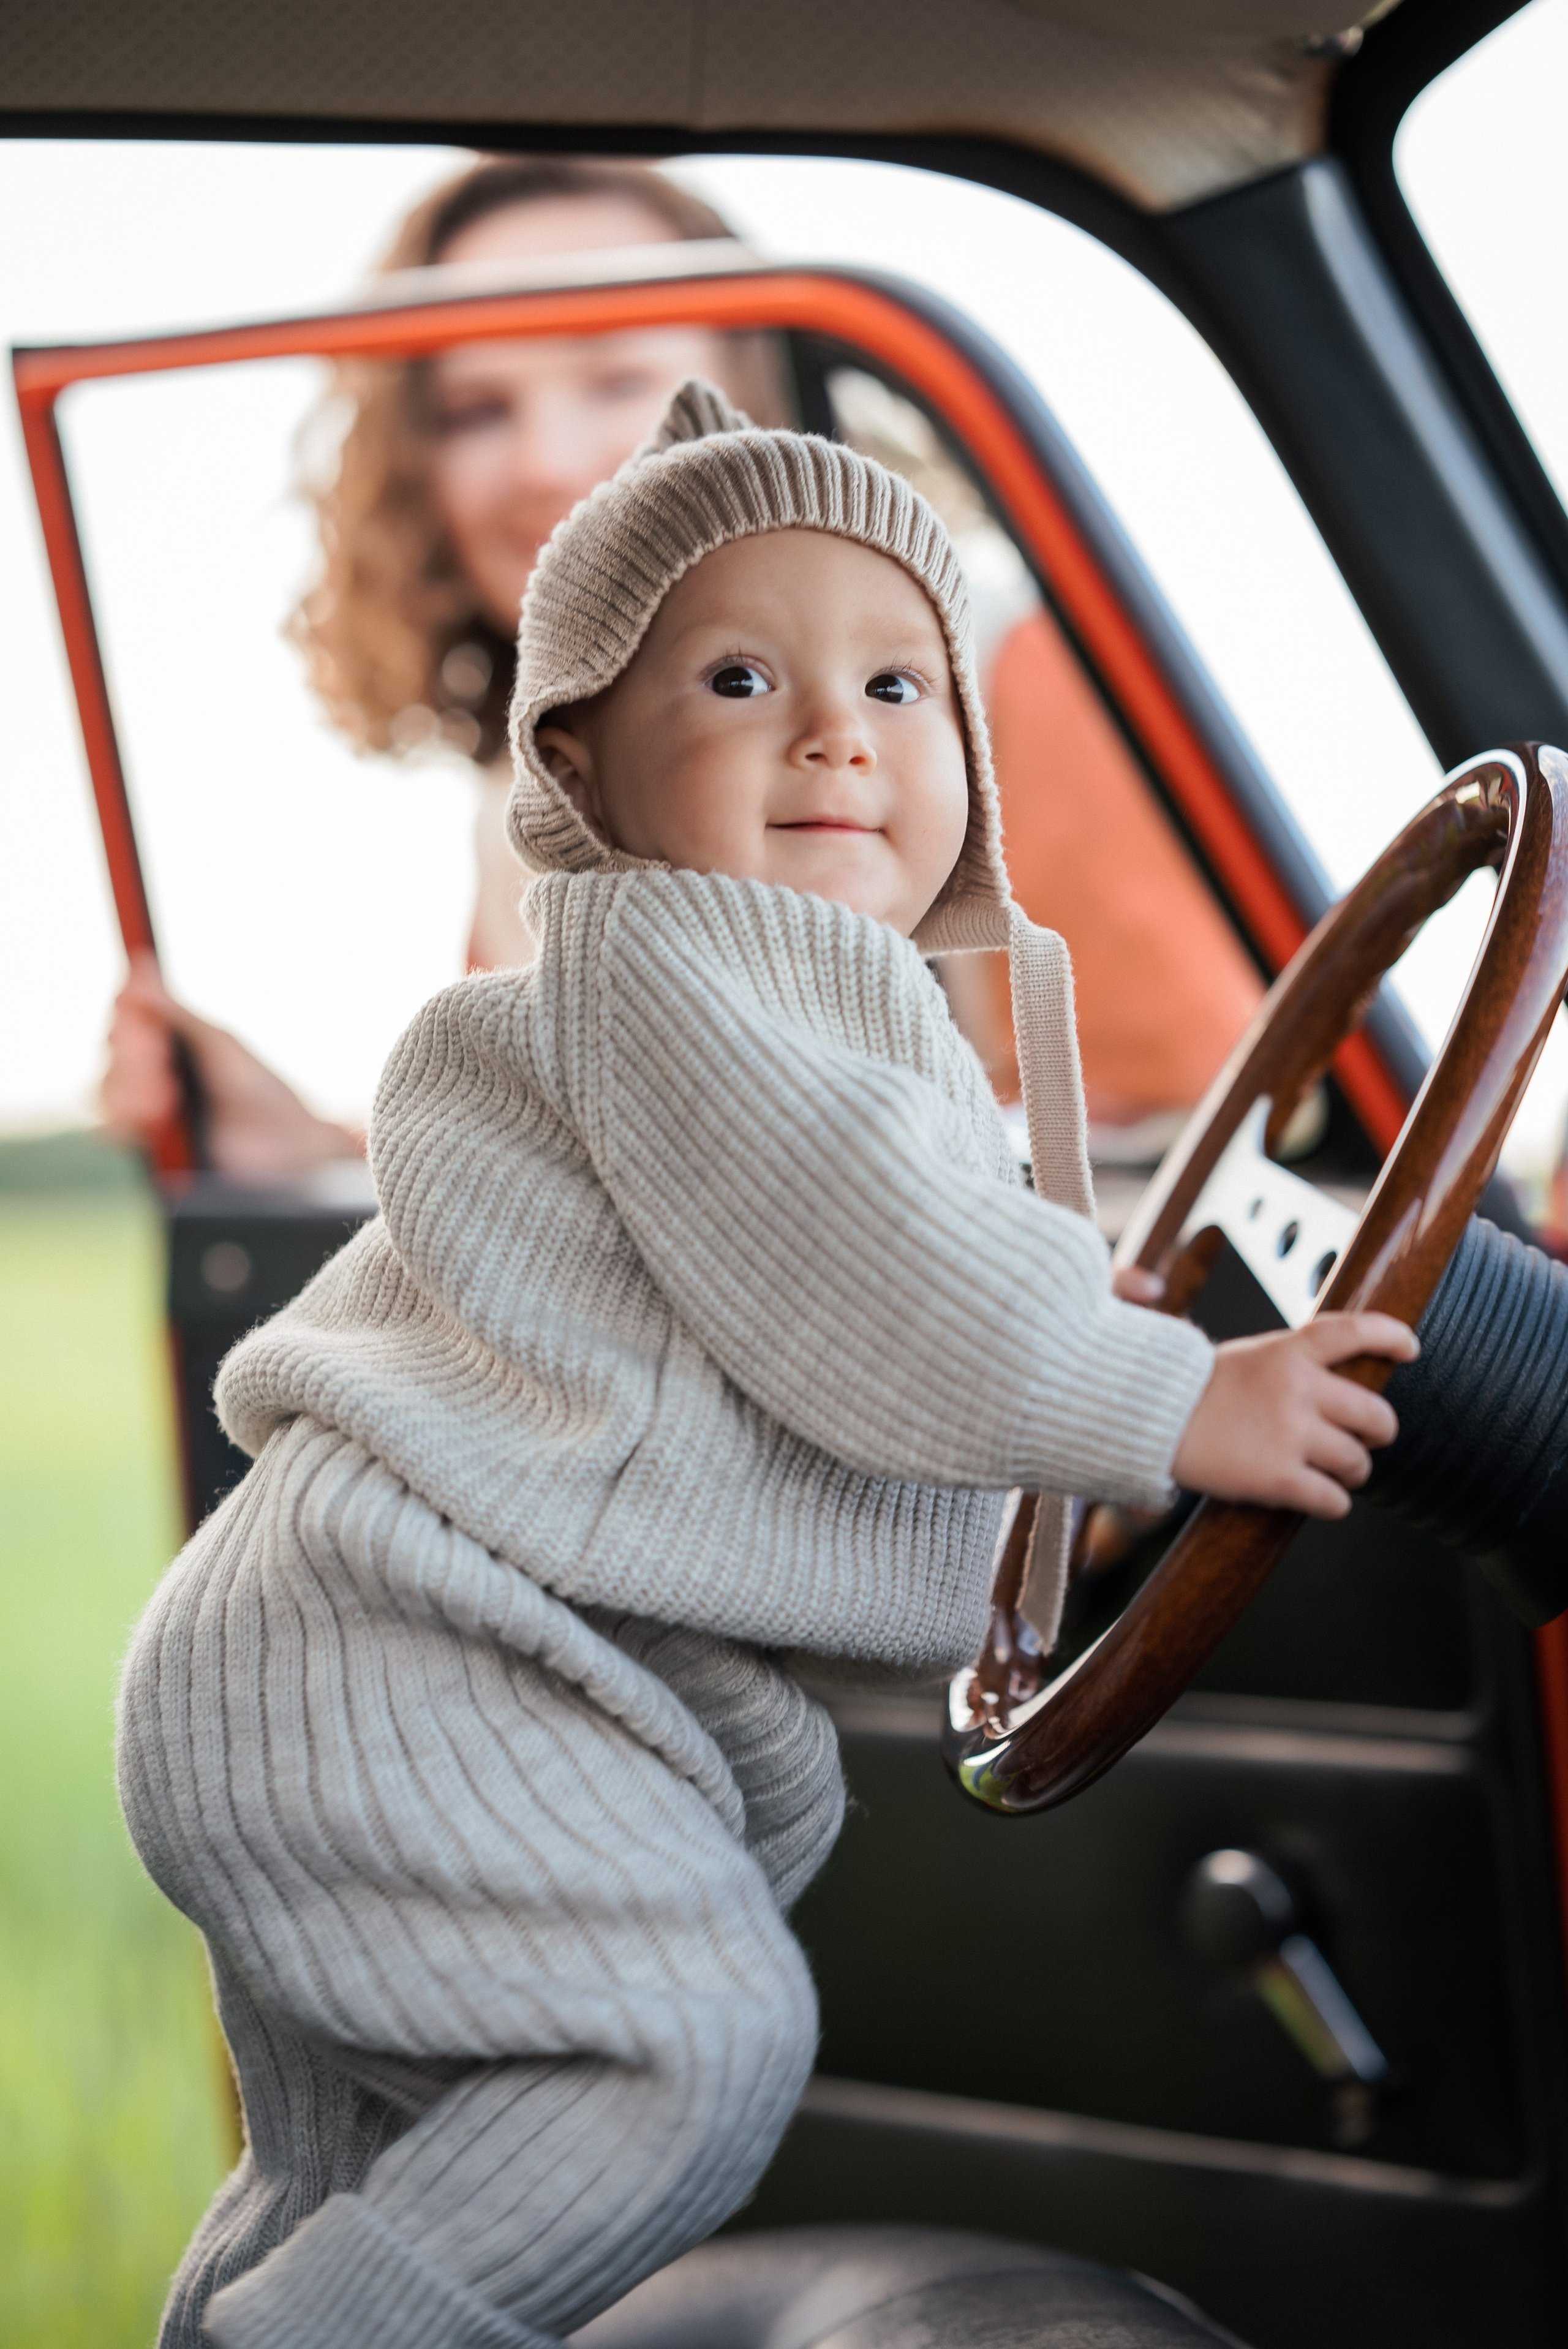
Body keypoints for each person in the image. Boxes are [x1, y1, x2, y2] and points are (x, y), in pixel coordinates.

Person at [116, 383, 1418, 2349]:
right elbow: (871, 1256)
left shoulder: (764, 996)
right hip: (409, 1651)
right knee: (692, 2045)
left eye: (901, 684)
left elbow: (859, 1254)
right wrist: (1175, 1396)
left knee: (363, 2165)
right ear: (578, 760)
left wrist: (1078, 1332)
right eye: (739, 679)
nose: (837, 733)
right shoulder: (685, 968)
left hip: (359, 1651)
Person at [99, 154, 785, 1179]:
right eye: (476, 410)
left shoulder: (981, 686)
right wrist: (307, 1158)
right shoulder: (527, 806)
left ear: (762, 399)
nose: (546, 462)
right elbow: (553, 1197)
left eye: (617, 379)